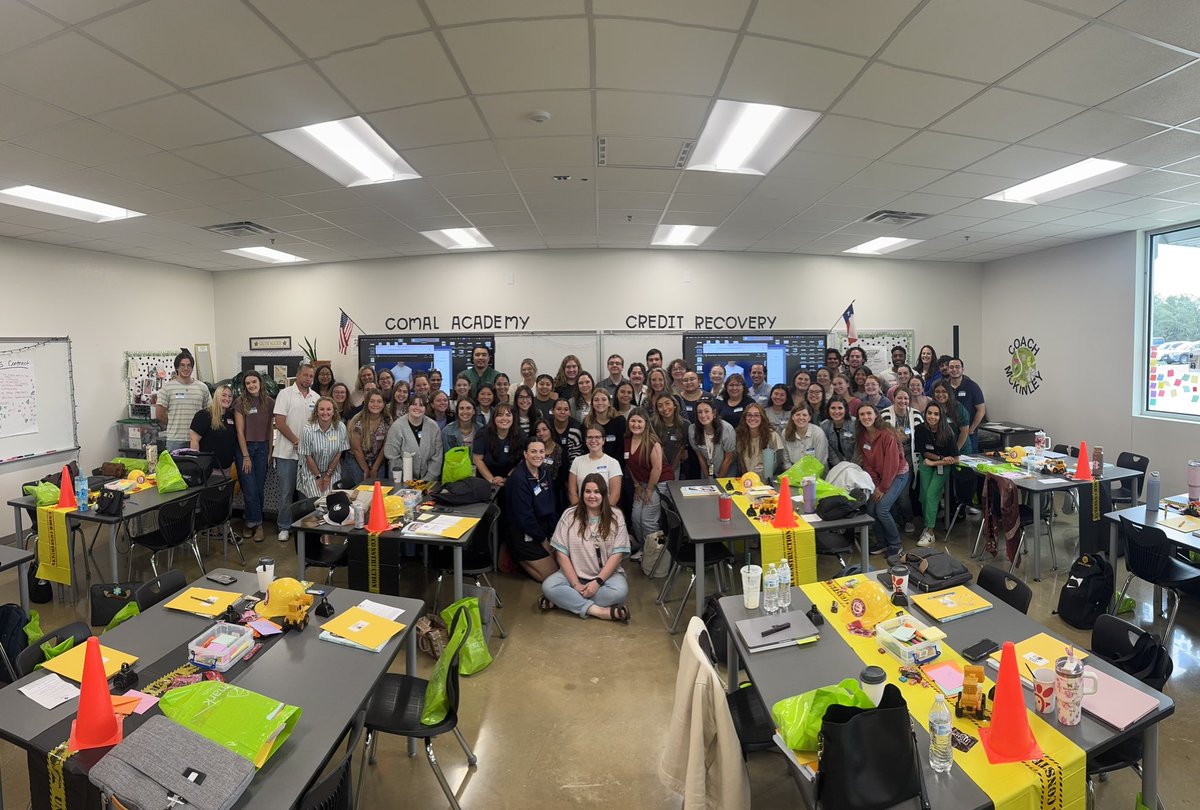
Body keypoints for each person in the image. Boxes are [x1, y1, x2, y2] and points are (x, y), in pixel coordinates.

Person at [541, 474, 631, 622]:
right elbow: (561, 553)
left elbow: (618, 554)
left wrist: (597, 582)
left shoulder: (616, 516)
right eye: (587, 491)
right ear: (582, 493)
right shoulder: (569, 515)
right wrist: (575, 584)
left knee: (619, 592)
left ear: (604, 494)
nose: (592, 496)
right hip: (574, 576)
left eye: (596, 492)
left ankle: (563, 602)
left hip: (606, 577)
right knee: (549, 586)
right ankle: (599, 611)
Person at [855, 403, 910, 556]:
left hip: (898, 474)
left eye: (869, 413)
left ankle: (895, 544)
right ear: (858, 418)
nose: (866, 417)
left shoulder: (887, 435)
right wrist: (876, 485)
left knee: (882, 509)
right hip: (880, 478)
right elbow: (868, 464)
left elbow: (892, 465)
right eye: (862, 414)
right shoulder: (862, 436)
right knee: (871, 509)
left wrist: (882, 489)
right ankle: (882, 542)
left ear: (876, 415)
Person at [273, 363, 318, 542]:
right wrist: (297, 441)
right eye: (305, 375)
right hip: (286, 453)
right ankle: (284, 526)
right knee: (286, 493)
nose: (308, 379)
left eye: (311, 376)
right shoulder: (285, 394)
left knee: (306, 493)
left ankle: (304, 527)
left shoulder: (316, 397)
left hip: (308, 456)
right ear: (298, 375)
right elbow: (280, 423)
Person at [506, 438, 560, 582]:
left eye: (541, 451)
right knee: (552, 576)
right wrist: (544, 542)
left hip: (544, 531)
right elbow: (525, 518)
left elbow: (552, 506)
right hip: (525, 535)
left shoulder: (544, 474)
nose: (538, 455)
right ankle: (518, 559)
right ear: (525, 454)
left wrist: (554, 535)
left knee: (564, 565)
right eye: (533, 451)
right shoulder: (518, 479)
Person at [234, 371, 274, 542]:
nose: (251, 385)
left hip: (263, 448)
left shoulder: (269, 402)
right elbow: (239, 432)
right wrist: (246, 456)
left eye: (254, 382)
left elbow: (271, 429)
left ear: (260, 382)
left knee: (258, 489)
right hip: (245, 449)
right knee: (249, 489)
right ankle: (257, 525)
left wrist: (270, 451)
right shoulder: (240, 402)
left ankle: (249, 522)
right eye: (248, 383)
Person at [914, 402, 959, 547]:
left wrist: (936, 463)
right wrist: (938, 459)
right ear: (925, 414)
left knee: (931, 495)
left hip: (942, 466)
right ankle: (927, 526)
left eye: (936, 414)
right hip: (928, 461)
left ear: (941, 416)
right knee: (923, 495)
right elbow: (923, 452)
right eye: (929, 413)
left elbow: (955, 459)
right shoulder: (920, 429)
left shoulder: (948, 432)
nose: (932, 417)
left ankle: (930, 533)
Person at [881, 388, 922, 534]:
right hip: (889, 462)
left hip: (909, 461)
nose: (902, 401)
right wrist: (898, 438)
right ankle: (895, 520)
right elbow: (881, 438)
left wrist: (902, 437)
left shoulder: (916, 415)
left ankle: (908, 519)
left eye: (905, 398)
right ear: (893, 398)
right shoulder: (885, 414)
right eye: (899, 398)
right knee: (889, 493)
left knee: (903, 495)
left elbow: (922, 436)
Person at [156, 349, 211, 451]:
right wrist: (174, 423)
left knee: (197, 467)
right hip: (175, 440)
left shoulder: (202, 387)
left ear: (192, 368)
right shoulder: (167, 388)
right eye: (182, 365)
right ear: (177, 367)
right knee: (175, 467)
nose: (186, 368)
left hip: (198, 439)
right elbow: (160, 414)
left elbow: (208, 411)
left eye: (189, 365)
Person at [624, 408, 663, 552]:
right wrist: (636, 484)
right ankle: (643, 549)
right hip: (641, 484)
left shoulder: (653, 442)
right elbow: (629, 465)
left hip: (657, 483)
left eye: (639, 421)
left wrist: (649, 490)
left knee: (648, 521)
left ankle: (657, 550)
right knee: (635, 518)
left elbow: (657, 469)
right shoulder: (627, 441)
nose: (636, 424)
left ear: (646, 423)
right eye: (633, 421)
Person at [384, 394, 443, 484]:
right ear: (408, 406)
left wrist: (427, 478)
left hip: (428, 481)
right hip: (402, 480)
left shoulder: (433, 427)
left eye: (421, 405)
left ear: (426, 408)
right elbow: (392, 456)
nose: (417, 408)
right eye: (414, 404)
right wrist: (408, 478)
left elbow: (437, 456)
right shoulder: (397, 427)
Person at [297, 396, 349, 499]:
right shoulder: (308, 430)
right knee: (317, 501)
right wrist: (318, 477)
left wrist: (328, 475)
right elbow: (308, 457)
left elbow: (339, 453)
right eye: (322, 409)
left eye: (329, 409)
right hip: (311, 472)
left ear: (334, 412)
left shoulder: (341, 427)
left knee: (331, 499)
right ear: (316, 412)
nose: (325, 412)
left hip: (332, 471)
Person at [569, 425, 622, 505]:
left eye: (597, 437)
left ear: (603, 440)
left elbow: (615, 494)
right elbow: (572, 491)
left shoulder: (613, 463)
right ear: (586, 440)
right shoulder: (577, 461)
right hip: (581, 511)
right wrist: (579, 512)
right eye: (590, 437)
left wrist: (605, 514)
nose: (593, 440)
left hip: (605, 512)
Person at [347, 389, 390, 486]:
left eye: (379, 401)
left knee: (379, 486)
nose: (375, 404)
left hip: (377, 458)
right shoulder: (358, 420)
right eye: (372, 401)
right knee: (362, 485)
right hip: (357, 458)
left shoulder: (387, 419)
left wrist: (375, 468)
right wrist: (366, 469)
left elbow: (385, 446)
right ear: (366, 403)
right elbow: (356, 449)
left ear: (383, 404)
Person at [189, 384, 237, 470]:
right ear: (217, 396)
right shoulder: (204, 415)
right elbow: (194, 441)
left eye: (230, 396)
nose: (227, 399)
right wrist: (196, 465)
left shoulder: (231, 415)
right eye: (224, 395)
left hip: (227, 467)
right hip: (208, 468)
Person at [472, 403, 523, 485]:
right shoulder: (483, 433)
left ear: (513, 418)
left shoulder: (520, 434)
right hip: (485, 481)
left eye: (508, 415)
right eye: (500, 415)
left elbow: (522, 461)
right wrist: (492, 480)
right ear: (494, 418)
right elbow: (477, 460)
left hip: (511, 480)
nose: (504, 418)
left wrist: (507, 479)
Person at [945, 357, 986, 454]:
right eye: (951, 367)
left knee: (970, 462)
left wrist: (971, 429)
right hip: (948, 433)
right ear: (947, 370)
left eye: (957, 367)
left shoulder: (972, 386)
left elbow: (981, 410)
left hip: (969, 433)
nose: (954, 370)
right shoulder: (944, 386)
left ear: (962, 369)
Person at [548, 399, 584, 505]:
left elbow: (576, 459)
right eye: (559, 409)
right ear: (553, 411)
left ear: (570, 412)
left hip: (570, 471)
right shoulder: (547, 426)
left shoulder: (576, 429)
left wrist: (571, 481)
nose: (562, 412)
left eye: (566, 409)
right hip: (549, 470)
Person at [733, 402, 783, 478]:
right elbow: (741, 462)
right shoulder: (740, 436)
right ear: (745, 417)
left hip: (767, 479)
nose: (752, 418)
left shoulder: (772, 435)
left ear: (762, 417)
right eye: (749, 415)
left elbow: (779, 460)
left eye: (756, 415)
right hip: (748, 480)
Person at [689, 398, 736, 478]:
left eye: (706, 411)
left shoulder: (727, 429)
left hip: (727, 473)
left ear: (714, 413)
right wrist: (708, 479)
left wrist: (718, 481)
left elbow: (729, 458)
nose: (703, 415)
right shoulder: (692, 430)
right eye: (699, 412)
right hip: (707, 473)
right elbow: (700, 457)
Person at [651, 393, 689, 484]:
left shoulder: (685, 424)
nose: (664, 408)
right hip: (654, 467)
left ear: (675, 405)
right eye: (660, 406)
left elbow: (682, 449)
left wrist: (671, 469)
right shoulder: (652, 424)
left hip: (675, 467)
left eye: (667, 403)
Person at [583, 388, 626, 463]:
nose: (600, 403)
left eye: (604, 399)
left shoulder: (620, 421)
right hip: (592, 464)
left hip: (616, 465)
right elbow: (585, 448)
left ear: (609, 403)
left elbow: (622, 448)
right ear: (592, 404)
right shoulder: (587, 422)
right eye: (596, 400)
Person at [781, 403, 828, 471]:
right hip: (793, 473)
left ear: (809, 418)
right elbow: (786, 461)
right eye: (798, 414)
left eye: (804, 415)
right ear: (792, 417)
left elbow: (820, 462)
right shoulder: (785, 433)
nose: (801, 417)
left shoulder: (818, 433)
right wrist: (794, 474)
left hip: (816, 473)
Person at [931, 381, 970, 453]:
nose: (940, 394)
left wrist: (955, 451)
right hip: (942, 449)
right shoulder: (932, 408)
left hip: (960, 448)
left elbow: (964, 431)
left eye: (944, 391)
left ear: (949, 393)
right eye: (937, 392)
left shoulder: (958, 408)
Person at [821, 396, 857, 467]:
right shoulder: (824, 426)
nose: (836, 411)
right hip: (836, 467)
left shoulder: (855, 424)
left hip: (856, 465)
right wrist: (840, 468)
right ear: (828, 409)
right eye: (833, 408)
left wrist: (852, 467)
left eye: (840, 408)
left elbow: (858, 449)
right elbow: (830, 451)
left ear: (845, 409)